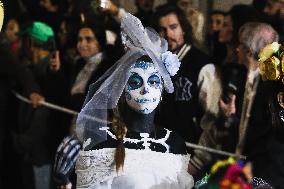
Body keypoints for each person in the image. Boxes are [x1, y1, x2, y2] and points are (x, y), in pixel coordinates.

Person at [53, 13, 194, 189]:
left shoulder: (173, 142)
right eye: (135, 82)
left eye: (153, 81)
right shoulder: (102, 140)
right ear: (122, 88)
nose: (145, 89)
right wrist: (64, 183)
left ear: (162, 89)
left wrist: (212, 179)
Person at [188, 22, 279, 186]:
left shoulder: (270, 87)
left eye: (241, 45)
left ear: (249, 51)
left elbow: (264, 135)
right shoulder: (239, 76)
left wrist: (232, 121)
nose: (236, 49)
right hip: (231, 159)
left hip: (259, 169)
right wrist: (228, 119)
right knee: (200, 183)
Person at [153, 4, 210, 147]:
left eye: (173, 27)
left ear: (183, 29)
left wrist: (199, 159)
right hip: (158, 144)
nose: (167, 34)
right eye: (162, 30)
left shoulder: (202, 64)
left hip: (188, 148)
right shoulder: (156, 63)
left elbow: (211, 120)